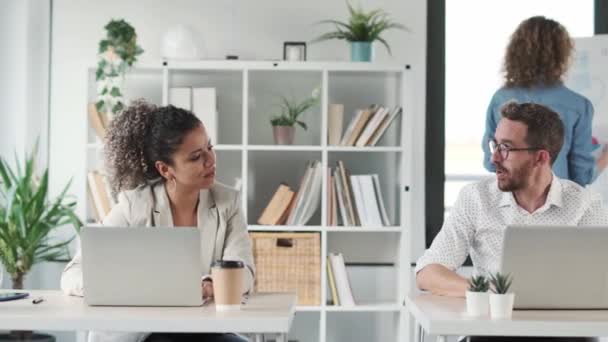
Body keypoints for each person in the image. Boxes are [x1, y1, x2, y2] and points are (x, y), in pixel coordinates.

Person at [61, 100, 254, 342]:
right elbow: (73, 275)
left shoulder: (228, 202)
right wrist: (135, 287)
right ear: (165, 169)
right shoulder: (135, 205)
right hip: (140, 333)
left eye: (209, 147)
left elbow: (244, 272)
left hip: (201, 330)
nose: (210, 160)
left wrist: (207, 284)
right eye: (196, 157)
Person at [418, 102, 607, 342]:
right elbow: (428, 272)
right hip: (493, 333)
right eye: (494, 145)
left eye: (506, 148)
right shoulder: (476, 198)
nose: (494, 157)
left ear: (540, 158)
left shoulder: (584, 204)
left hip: (566, 333)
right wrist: (484, 292)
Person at [482, 16, 608, 186]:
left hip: (508, 205)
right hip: (558, 205)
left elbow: (491, 163)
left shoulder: (500, 99)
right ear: (561, 55)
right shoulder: (578, 105)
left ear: (515, 53)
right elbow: (581, 176)